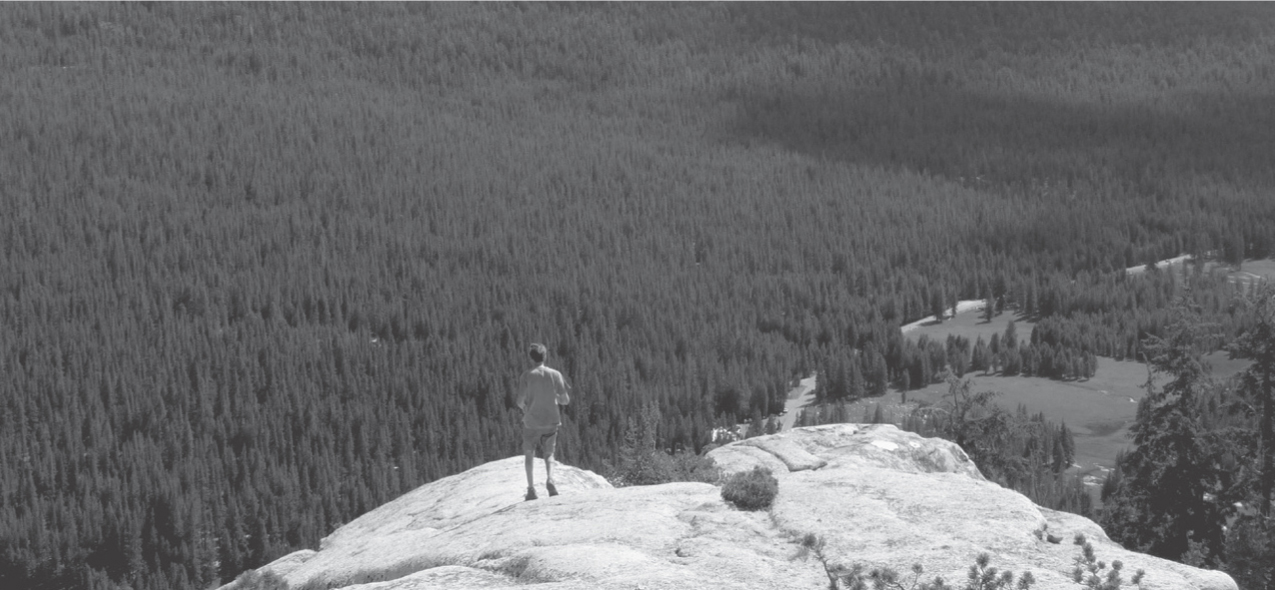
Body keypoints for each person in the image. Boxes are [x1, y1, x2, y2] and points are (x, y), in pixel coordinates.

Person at [516, 343, 571, 500]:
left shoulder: (526, 376)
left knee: (529, 454)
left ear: (531, 358)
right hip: (551, 420)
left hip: (531, 422)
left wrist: (526, 408)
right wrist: (556, 398)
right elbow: (565, 400)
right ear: (545, 356)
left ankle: (531, 489)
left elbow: (519, 401)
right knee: (549, 454)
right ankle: (550, 479)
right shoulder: (555, 374)